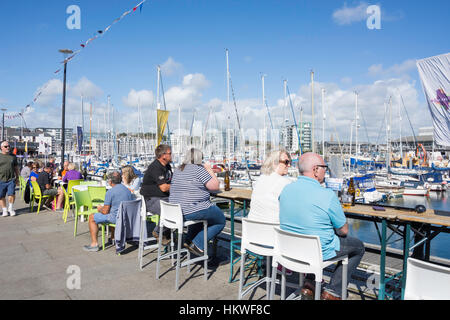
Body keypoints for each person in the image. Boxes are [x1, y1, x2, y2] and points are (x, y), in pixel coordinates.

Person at [279, 152, 365, 300]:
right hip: (316, 251)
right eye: (325, 167)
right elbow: (344, 231)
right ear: (315, 169)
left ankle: (309, 285)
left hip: (290, 250)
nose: (326, 170)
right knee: (358, 247)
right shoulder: (327, 195)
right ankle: (333, 292)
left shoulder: (286, 190)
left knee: (312, 233)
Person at [169, 148, 226, 256]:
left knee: (200, 217)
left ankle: (189, 240)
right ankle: (198, 244)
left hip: (177, 210)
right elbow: (215, 186)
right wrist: (209, 169)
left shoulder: (178, 169)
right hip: (191, 209)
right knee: (220, 220)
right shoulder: (198, 169)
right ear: (199, 159)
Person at [83, 171, 133, 252]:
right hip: (126, 217)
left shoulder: (110, 192)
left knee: (92, 217)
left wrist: (100, 208)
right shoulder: (127, 190)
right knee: (112, 211)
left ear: (110, 182)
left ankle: (94, 244)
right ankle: (113, 237)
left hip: (116, 218)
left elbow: (105, 212)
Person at [247, 149, 293, 223]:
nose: (289, 165)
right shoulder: (285, 182)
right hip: (273, 230)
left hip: (252, 229)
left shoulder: (261, 179)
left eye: (290, 162)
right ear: (275, 163)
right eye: (286, 162)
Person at [139, 144, 173, 245]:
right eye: (170, 153)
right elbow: (164, 187)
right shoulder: (155, 167)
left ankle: (167, 233)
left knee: (182, 208)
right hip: (151, 200)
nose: (171, 155)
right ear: (163, 156)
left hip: (164, 198)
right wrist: (177, 186)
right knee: (171, 212)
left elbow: (171, 182)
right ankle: (158, 232)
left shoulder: (167, 166)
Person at [0, 141, 20, 217]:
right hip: (1, 179)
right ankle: (4, 210)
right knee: (1, 196)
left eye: (8, 146)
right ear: (1, 148)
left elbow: (16, 168)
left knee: (11, 194)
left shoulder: (13, 156)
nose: (8, 147)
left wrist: (17, 177)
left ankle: (10, 208)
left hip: (11, 179)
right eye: (6, 146)